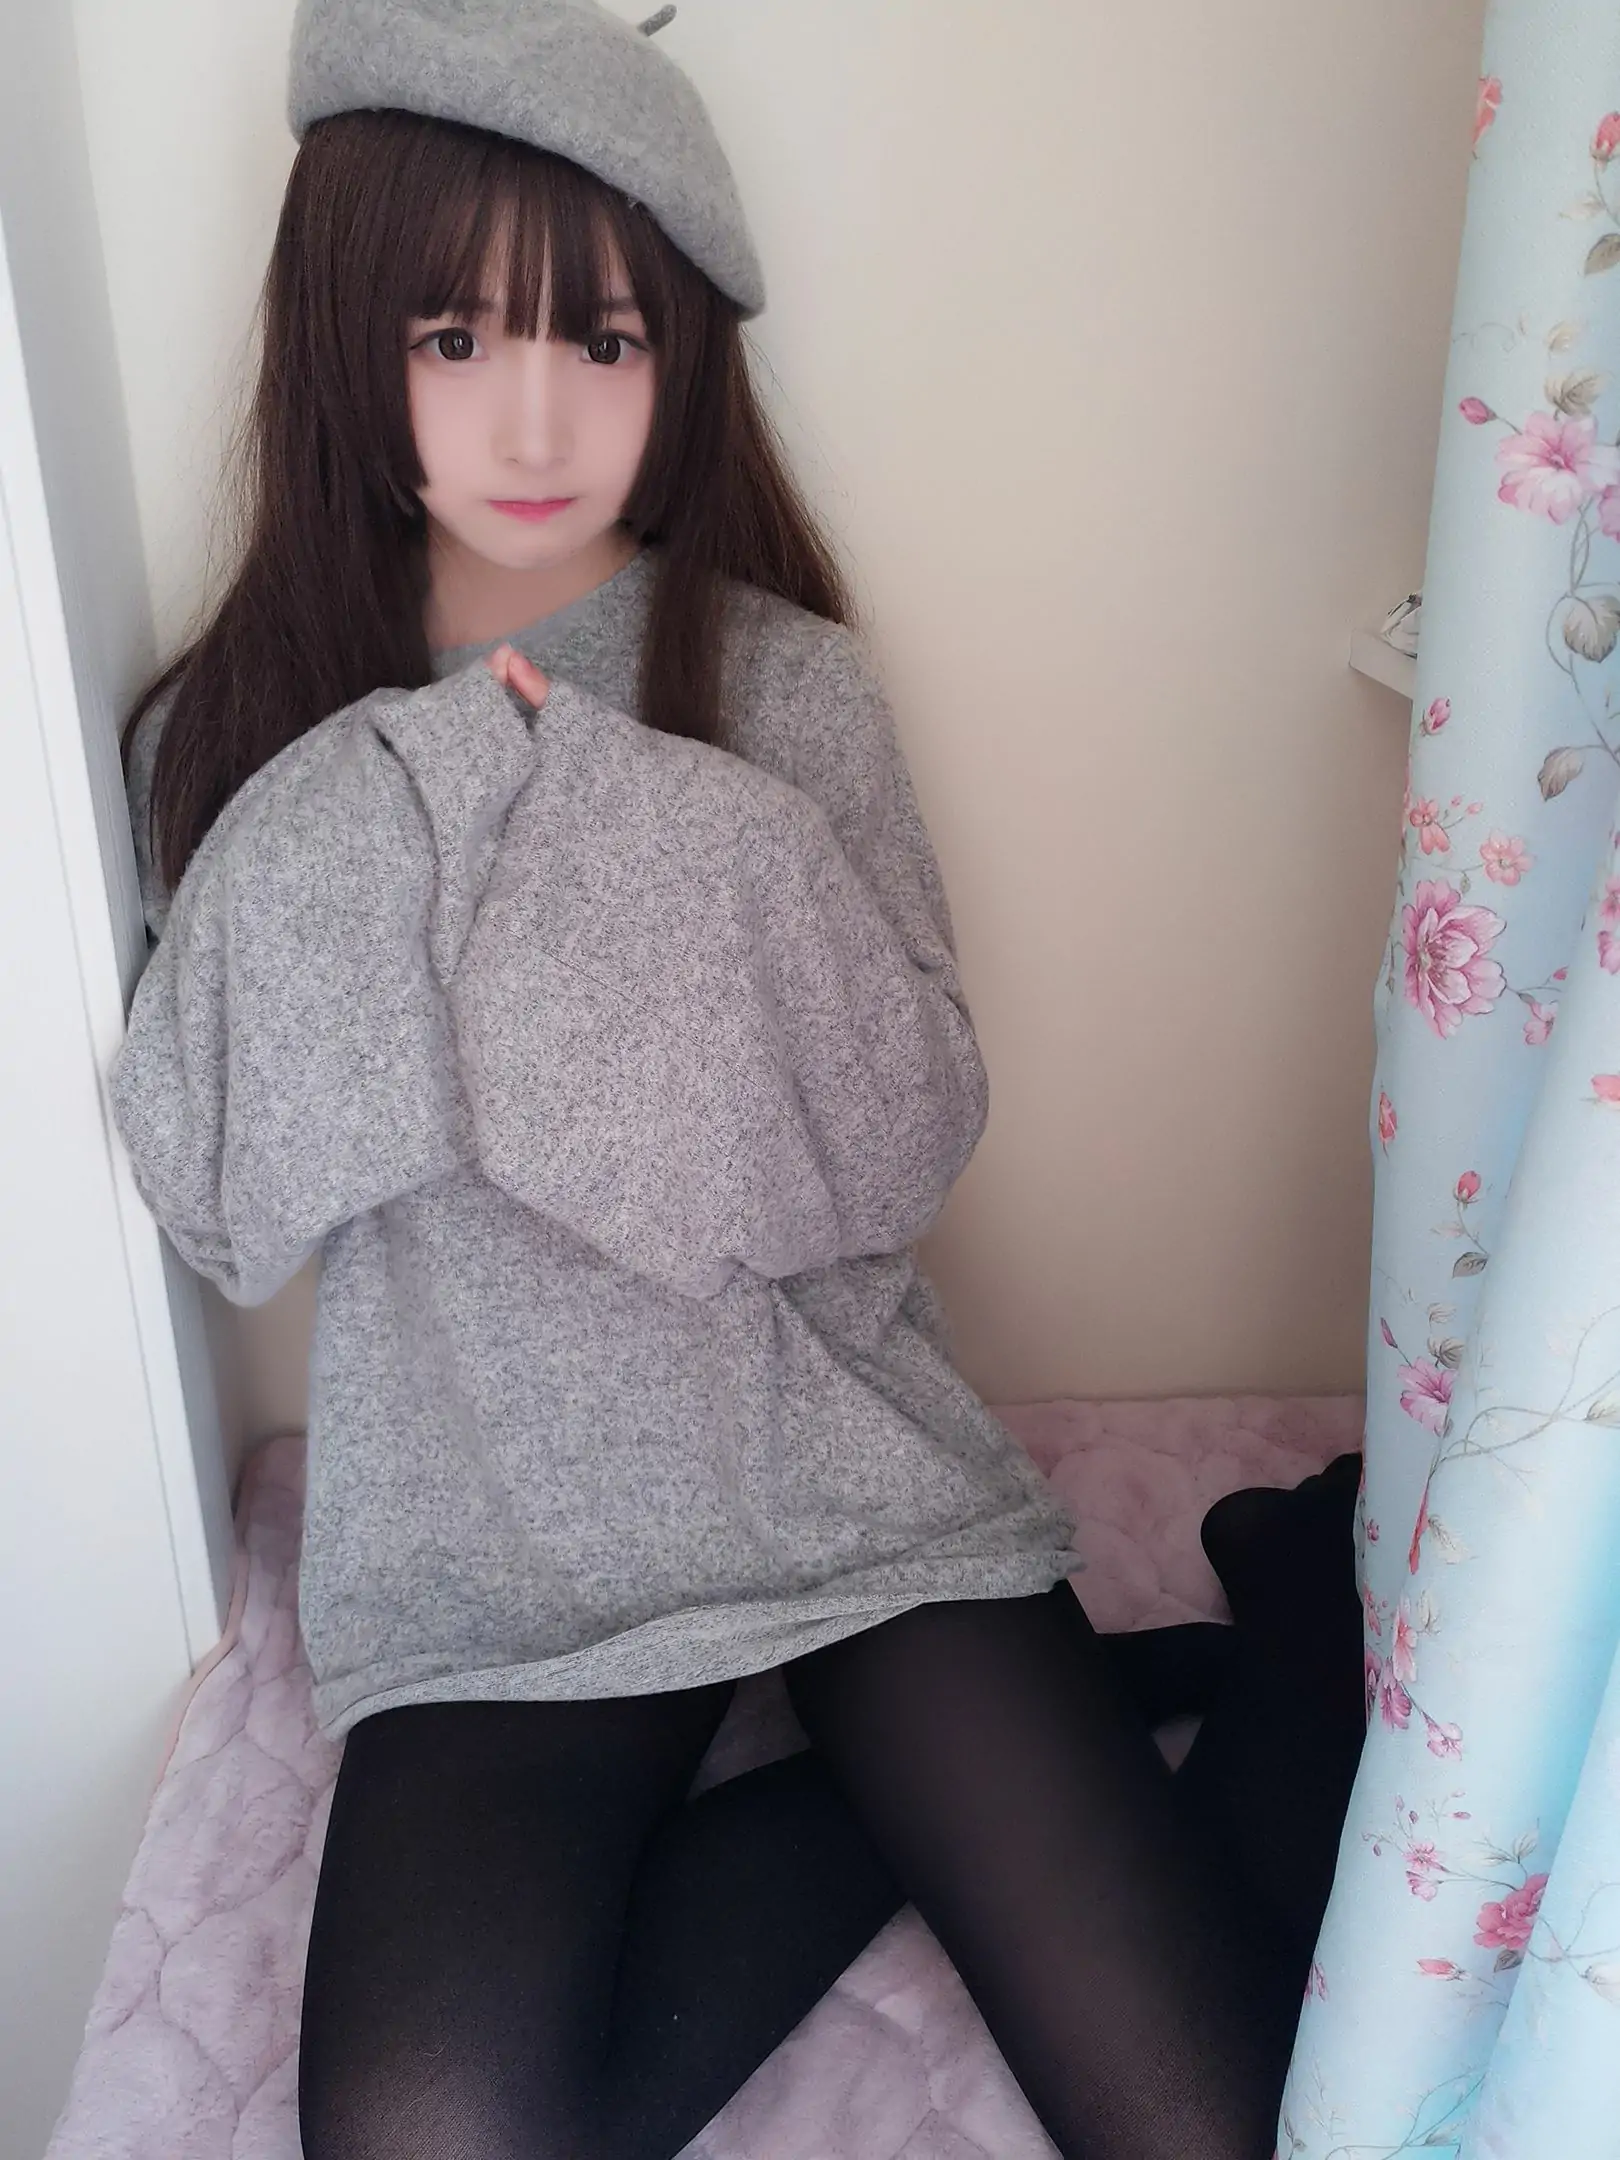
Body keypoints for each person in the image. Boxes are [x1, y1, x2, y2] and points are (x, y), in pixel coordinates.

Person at [106, 6, 1367, 2156]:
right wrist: (414, 786)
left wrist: (593, 804)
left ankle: (1294, 1610)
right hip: (491, 1560)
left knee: (1210, 2118)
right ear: (342, 339)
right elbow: (226, 1198)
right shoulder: (239, 743)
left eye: (602, 341)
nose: (534, 417)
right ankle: (994, 1757)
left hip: (839, 1491)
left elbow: (890, 1153)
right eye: (451, 335)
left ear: (679, 356)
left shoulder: (782, 688)